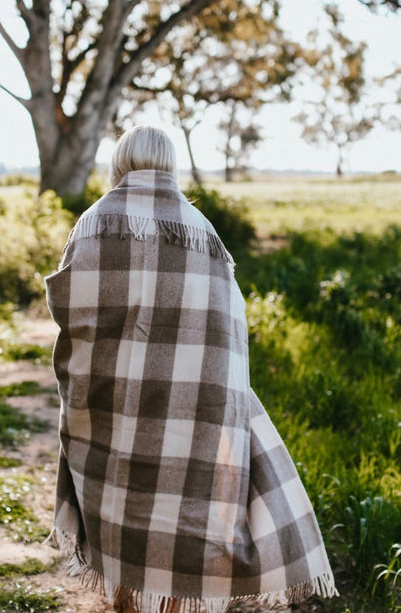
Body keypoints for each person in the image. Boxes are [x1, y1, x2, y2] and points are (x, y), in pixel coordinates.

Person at [45, 125, 337, 613]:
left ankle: (125, 602)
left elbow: (74, 314)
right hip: (191, 406)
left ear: (120, 162)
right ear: (169, 164)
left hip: (112, 402)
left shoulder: (94, 222)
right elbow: (228, 329)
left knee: (119, 504)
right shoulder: (203, 231)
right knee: (183, 510)